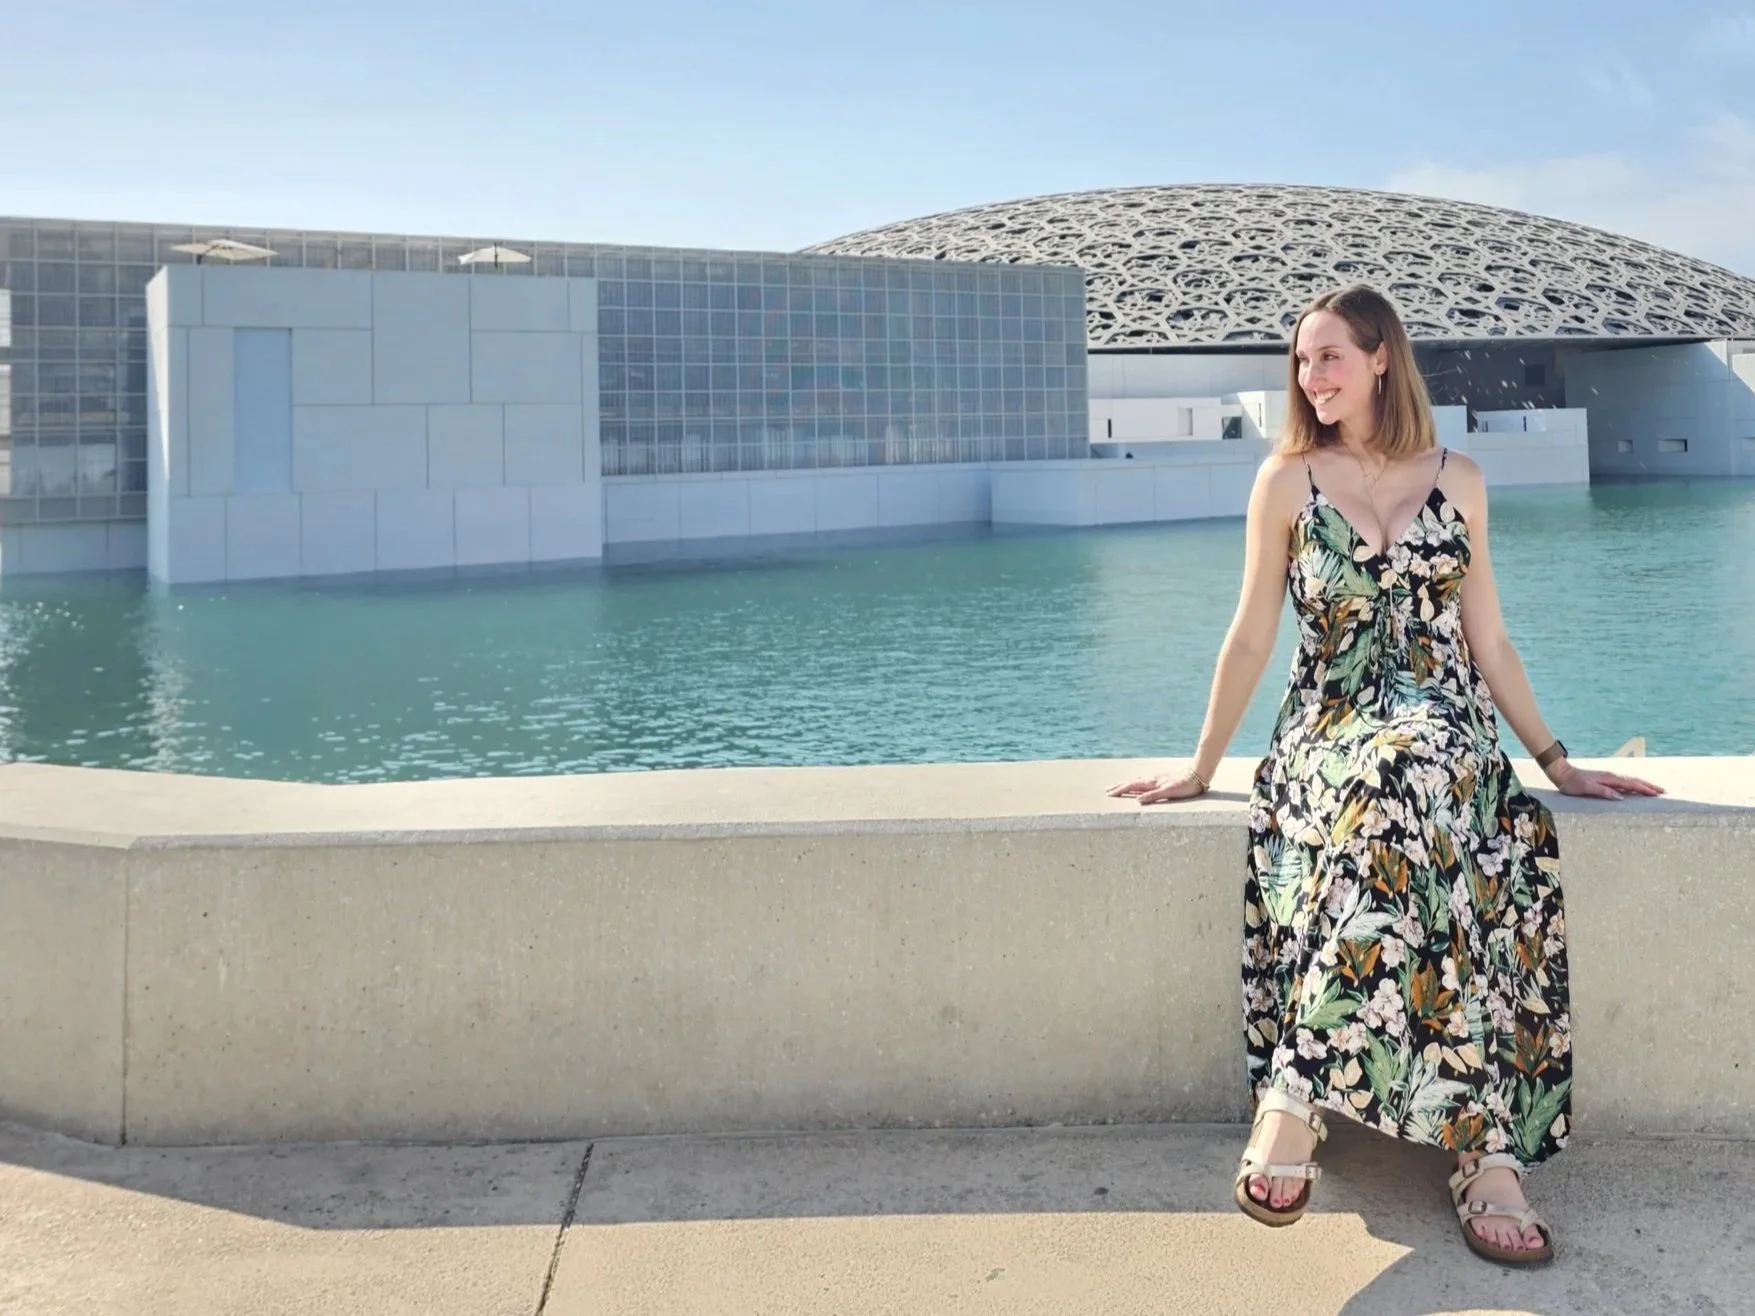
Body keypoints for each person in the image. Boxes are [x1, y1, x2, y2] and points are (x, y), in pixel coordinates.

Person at [1107, 285, 1662, 1268]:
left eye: (1327, 357)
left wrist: (1556, 758)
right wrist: (1202, 764)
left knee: (1416, 787)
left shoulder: (1463, 478)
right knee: (1384, 793)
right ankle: (1479, 1143)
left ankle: (1297, 1097)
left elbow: (1488, 636)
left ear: (1378, 359)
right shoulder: (1285, 481)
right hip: (1328, 728)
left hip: (1447, 726)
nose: (1310, 378)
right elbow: (1249, 636)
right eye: (1300, 362)